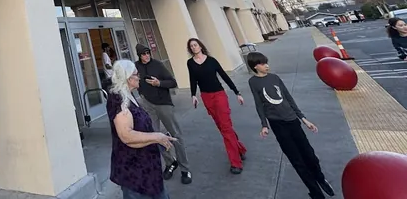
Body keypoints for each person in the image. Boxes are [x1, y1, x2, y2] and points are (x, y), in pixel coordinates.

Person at [247, 52, 334, 199]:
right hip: (277, 124)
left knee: (310, 155)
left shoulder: (275, 78)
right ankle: (315, 192)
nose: (267, 65)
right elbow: (259, 104)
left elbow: (288, 98)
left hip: (292, 120)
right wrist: (264, 125)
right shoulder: (253, 82)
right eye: (263, 63)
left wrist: (303, 119)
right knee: (297, 161)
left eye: (266, 62)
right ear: (255, 66)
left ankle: (320, 178)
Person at [107, 59, 174, 199]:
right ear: (128, 77)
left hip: (148, 171)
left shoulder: (129, 95)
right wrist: (156, 137)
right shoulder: (118, 100)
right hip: (135, 175)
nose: (139, 77)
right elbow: (126, 136)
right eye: (136, 74)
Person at [186, 38, 247, 174]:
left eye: (196, 45)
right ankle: (239, 149)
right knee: (222, 127)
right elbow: (192, 79)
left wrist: (237, 92)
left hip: (219, 95)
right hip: (206, 97)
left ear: (201, 46)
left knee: (225, 127)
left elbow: (224, 76)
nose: (194, 47)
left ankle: (235, 162)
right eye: (191, 46)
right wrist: (193, 95)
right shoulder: (190, 63)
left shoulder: (212, 60)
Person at [134, 44, 191, 185]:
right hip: (148, 105)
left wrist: (159, 83)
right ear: (139, 55)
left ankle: (185, 168)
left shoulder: (158, 65)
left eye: (148, 53)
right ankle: (170, 162)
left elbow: (173, 82)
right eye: (143, 54)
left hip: (163, 104)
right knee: (155, 136)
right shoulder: (136, 67)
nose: (146, 56)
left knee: (175, 134)